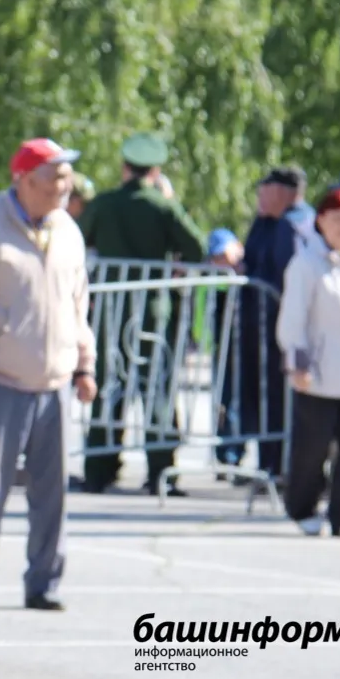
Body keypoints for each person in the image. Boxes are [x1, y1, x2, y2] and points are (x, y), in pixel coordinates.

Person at [0, 138, 98, 616]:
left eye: (67, 176)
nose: (65, 185)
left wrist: (85, 364)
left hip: (55, 381)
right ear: (24, 179)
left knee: (53, 493)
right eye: (55, 176)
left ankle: (44, 583)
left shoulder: (68, 229)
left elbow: (79, 305)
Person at [77, 131, 206, 494]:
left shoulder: (103, 204)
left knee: (109, 384)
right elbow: (195, 247)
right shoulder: (163, 206)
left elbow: (79, 238)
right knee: (157, 390)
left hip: (111, 308)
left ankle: (100, 469)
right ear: (155, 170)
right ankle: (162, 473)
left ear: (125, 167)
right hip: (154, 310)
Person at [275, 188, 340, 539]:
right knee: (313, 446)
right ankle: (303, 508)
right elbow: (293, 319)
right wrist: (298, 363)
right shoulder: (306, 264)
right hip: (319, 372)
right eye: (338, 219)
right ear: (321, 221)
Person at [228, 166, 313, 475]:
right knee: (263, 397)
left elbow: (283, 277)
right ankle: (269, 462)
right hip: (260, 328)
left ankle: (280, 464)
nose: (260, 199)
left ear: (283, 193)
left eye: (265, 192)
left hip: (278, 328)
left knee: (279, 397)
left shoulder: (294, 225)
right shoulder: (267, 223)